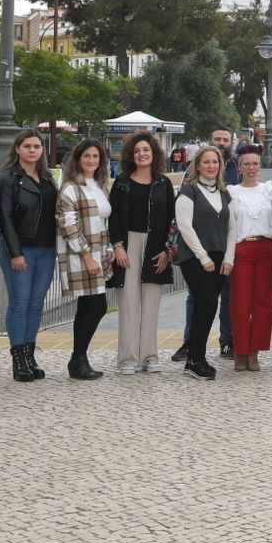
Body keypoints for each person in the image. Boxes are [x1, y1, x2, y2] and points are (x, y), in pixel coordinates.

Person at [0, 129, 59, 384]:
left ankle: (30, 355)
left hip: (47, 249)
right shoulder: (8, 179)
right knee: (19, 303)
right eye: (28, 146)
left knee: (36, 303)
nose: (33, 150)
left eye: (37, 146)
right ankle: (18, 358)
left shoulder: (48, 177)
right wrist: (15, 252)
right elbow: (5, 219)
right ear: (18, 148)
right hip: (21, 250)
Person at [107, 132, 175, 375]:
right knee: (127, 303)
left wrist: (167, 251)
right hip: (128, 244)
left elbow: (171, 220)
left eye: (146, 150)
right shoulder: (122, 182)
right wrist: (118, 246)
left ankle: (149, 356)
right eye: (137, 151)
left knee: (151, 304)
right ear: (131, 155)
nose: (142, 154)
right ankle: (127, 358)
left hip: (156, 247)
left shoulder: (163, 184)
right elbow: (113, 217)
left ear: (154, 153)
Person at [55, 138, 113, 381]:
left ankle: (78, 360)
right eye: (87, 156)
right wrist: (87, 255)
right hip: (82, 254)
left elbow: (104, 220)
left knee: (88, 306)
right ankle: (78, 358)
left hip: (100, 250)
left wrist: (108, 246)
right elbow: (68, 225)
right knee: (97, 305)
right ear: (78, 159)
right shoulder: (70, 187)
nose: (91, 160)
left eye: (96, 157)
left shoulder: (99, 185)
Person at [176, 146, 231, 380]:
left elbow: (233, 226)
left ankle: (194, 359)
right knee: (207, 303)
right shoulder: (189, 191)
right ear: (197, 165)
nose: (211, 166)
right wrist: (203, 257)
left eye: (215, 162)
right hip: (194, 257)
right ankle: (196, 357)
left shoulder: (223, 192)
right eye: (206, 162)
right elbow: (184, 227)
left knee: (204, 306)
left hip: (219, 258)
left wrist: (229, 257)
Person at [223, 145, 272, 372]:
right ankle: (240, 350)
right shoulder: (232, 192)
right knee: (240, 302)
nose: (251, 168)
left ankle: (255, 351)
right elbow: (229, 226)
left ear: (260, 166)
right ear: (239, 166)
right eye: (246, 163)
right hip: (242, 249)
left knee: (264, 303)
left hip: (267, 248)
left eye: (255, 163)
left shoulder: (268, 190)